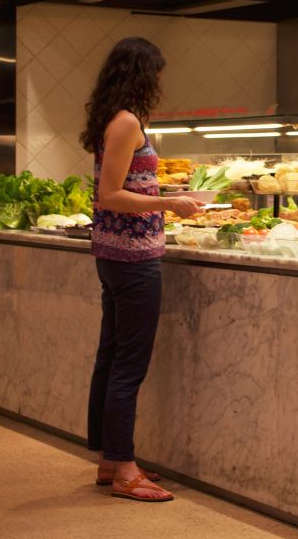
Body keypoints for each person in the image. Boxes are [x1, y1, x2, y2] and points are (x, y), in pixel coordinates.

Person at [80, 37, 202, 502]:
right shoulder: (128, 121)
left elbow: (122, 184)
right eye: (155, 73)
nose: (158, 82)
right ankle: (126, 470)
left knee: (111, 357)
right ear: (141, 75)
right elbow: (109, 194)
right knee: (128, 364)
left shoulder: (113, 118)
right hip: (132, 257)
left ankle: (111, 460)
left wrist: (156, 190)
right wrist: (169, 201)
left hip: (114, 254)